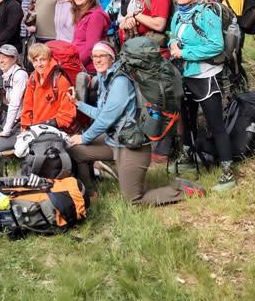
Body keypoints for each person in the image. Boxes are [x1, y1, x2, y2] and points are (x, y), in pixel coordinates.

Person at [68, 43, 207, 203]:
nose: (97, 60)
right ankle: (90, 195)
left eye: (102, 56)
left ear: (112, 58)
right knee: (76, 151)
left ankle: (185, 191)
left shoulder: (120, 82)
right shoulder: (107, 78)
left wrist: (84, 138)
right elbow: (102, 114)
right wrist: (79, 104)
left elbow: (106, 119)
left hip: (133, 145)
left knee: (133, 199)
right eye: (95, 56)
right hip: (116, 140)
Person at [167, 0, 236, 192]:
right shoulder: (179, 14)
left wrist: (184, 53)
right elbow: (171, 35)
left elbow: (216, 46)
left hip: (206, 75)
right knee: (188, 120)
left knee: (216, 124)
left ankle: (228, 173)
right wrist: (172, 44)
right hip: (185, 74)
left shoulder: (207, 13)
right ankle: (188, 159)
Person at [21, 43, 78, 135]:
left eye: (42, 60)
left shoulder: (60, 81)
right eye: (35, 60)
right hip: (35, 129)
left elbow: (67, 115)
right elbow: (27, 106)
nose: (39, 64)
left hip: (55, 130)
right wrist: (25, 126)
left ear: (49, 59)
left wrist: (45, 125)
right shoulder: (32, 78)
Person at [0, 44, 30, 155]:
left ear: (14, 59)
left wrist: (6, 131)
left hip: (23, 124)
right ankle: (6, 138)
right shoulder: (7, 74)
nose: (0, 60)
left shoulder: (20, 75)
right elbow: (9, 105)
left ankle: (19, 148)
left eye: (4, 57)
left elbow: (15, 105)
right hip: (14, 119)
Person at [71, 0, 111, 73]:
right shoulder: (82, 14)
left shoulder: (95, 16)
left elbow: (91, 48)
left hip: (89, 70)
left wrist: (74, 66)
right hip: (80, 66)